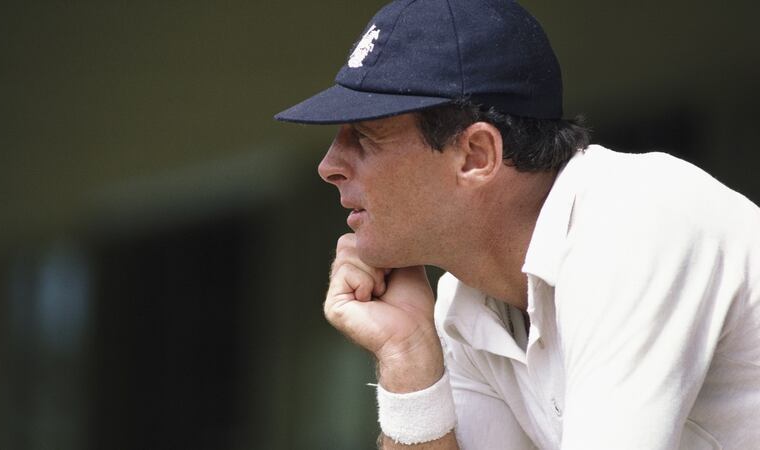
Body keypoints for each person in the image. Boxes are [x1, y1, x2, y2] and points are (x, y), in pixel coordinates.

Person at [275, 0, 760, 448]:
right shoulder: (465, 300)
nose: (330, 164)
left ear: (476, 155)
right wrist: (408, 356)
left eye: (364, 135)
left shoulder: (634, 220)